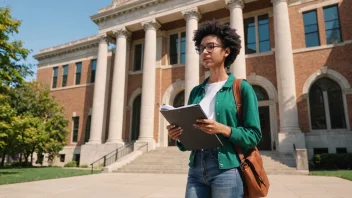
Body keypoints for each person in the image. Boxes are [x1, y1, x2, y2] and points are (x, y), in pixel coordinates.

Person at [167, 20, 262, 198]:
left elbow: (254, 135)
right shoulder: (196, 91)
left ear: (226, 51)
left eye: (211, 46)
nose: (205, 52)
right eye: (202, 48)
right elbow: (186, 142)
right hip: (196, 168)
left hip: (227, 169)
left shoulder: (242, 88)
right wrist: (178, 135)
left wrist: (223, 129)